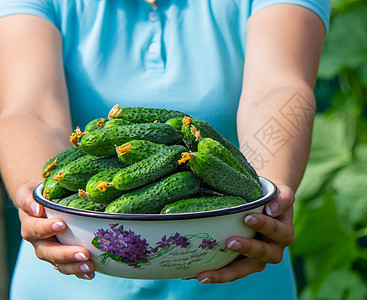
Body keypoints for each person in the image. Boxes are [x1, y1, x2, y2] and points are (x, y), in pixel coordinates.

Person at [0, 0, 329, 298]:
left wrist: (262, 199)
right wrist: (44, 208)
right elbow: (29, 109)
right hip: (71, 275)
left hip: (235, 257)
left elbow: (279, 89)